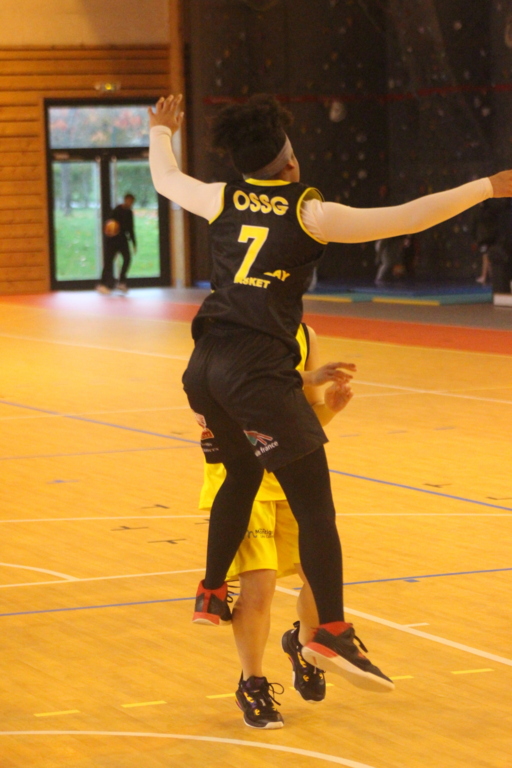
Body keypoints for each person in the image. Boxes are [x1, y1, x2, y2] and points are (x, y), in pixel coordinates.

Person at [148, 92, 512, 694]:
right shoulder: (310, 212)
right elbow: (406, 217)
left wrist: (161, 131)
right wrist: (488, 187)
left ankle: (211, 590)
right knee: (316, 508)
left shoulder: (220, 198)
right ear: (290, 162)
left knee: (242, 473)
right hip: (257, 370)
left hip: (205, 364)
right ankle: (330, 631)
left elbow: (164, 178)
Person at [198, 322, 354, 729]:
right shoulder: (225, 327)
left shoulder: (305, 333)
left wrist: (330, 408)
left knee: (317, 576)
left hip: (291, 472)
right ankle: (252, 683)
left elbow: (307, 416)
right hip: (243, 479)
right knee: (259, 586)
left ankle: (302, 645)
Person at [97, 193, 137, 295]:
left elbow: (131, 229)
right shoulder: (117, 210)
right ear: (125, 200)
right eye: (128, 200)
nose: (130, 203)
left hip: (123, 240)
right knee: (109, 262)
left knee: (127, 258)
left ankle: (121, 282)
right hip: (112, 240)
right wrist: (109, 234)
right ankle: (102, 284)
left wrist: (134, 243)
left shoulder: (129, 213)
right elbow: (108, 224)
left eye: (131, 202)